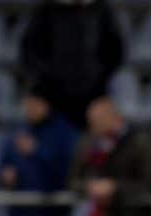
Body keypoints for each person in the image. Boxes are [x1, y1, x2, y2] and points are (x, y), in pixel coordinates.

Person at [19, 0, 124, 128]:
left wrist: (101, 86)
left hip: (92, 93)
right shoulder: (45, 9)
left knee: (104, 117)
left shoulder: (101, 9)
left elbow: (115, 51)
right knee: (34, 113)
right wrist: (41, 85)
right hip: (50, 92)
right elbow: (29, 51)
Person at [69, 98, 151, 216]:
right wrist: (89, 187)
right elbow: (73, 180)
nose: (93, 125)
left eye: (98, 119)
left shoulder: (139, 142)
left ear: (114, 117)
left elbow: (149, 183)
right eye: (91, 120)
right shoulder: (87, 142)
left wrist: (115, 187)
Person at [0, 89, 79, 216]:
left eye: (34, 104)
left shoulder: (64, 133)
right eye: (28, 105)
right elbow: (2, 168)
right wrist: (5, 176)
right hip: (20, 215)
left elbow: (67, 172)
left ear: (46, 105)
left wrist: (37, 151)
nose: (30, 109)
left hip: (55, 214)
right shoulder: (19, 132)